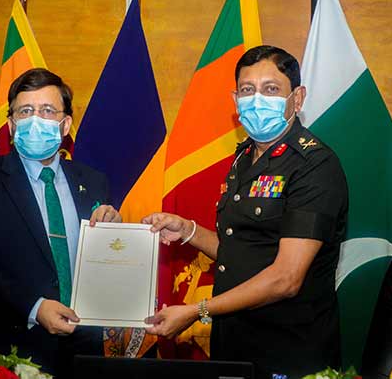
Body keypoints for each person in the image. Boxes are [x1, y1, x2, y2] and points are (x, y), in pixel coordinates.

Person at [143, 45, 349, 379]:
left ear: (297, 99)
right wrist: (189, 231)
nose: (256, 100)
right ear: (235, 98)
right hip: (235, 344)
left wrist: (198, 310)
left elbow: (285, 279)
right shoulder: (244, 158)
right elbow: (241, 250)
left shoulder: (315, 166)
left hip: (289, 351)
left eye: (271, 90)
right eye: (247, 90)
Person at [0, 68, 121, 376]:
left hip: (85, 352)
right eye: (25, 111)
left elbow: (104, 266)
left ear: (65, 123)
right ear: (12, 125)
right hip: (11, 352)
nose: (35, 119)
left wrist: (113, 235)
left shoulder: (94, 182)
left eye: (47, 111)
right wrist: (35, 306)